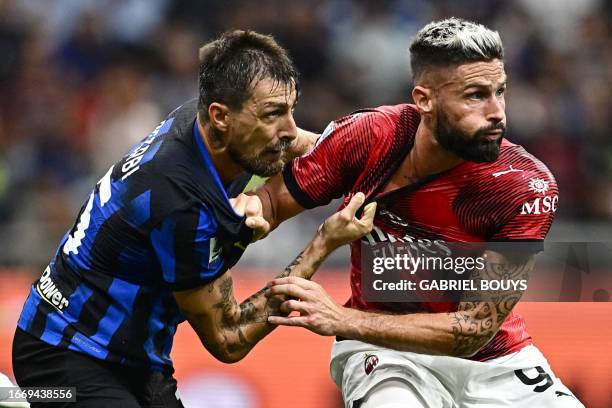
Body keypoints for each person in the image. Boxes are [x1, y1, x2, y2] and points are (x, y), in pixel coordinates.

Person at [11, 29, 375, 408]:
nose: (289, 128)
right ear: (220, 117)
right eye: (273, 114)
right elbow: (229, 339)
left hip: (138, 358)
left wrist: (372, 158)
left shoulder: (206, 122)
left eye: (290, 110)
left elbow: (302, 144)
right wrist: (322, 243)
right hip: (62, 354)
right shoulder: (180, 203)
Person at [254, 18, 584, 407]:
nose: (497, 112)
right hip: (386, 353)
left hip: (496, 362)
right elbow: (271, 203)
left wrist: (340, 319)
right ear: (424, 99)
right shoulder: (371, 136)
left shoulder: (524, 185)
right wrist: (239, 215)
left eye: (501, 92)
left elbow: (475, 327)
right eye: (476, 96)